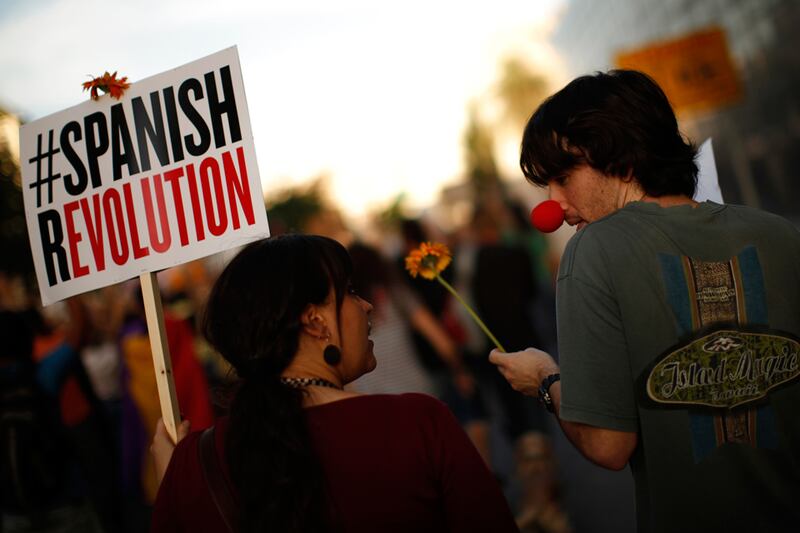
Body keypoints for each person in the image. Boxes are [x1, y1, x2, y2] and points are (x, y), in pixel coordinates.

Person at [489, 69, 800, 532]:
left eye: (562, 176)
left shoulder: (591, 252)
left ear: (621, 159)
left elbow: (606, 444)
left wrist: (544, 378)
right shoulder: (781, 234)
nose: (553, 205)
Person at [150, 234, 517, 532]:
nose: (366, 306)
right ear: (315, 322)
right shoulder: (419, 422)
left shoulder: (196, 461)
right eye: (351, 292)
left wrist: (178, 479)